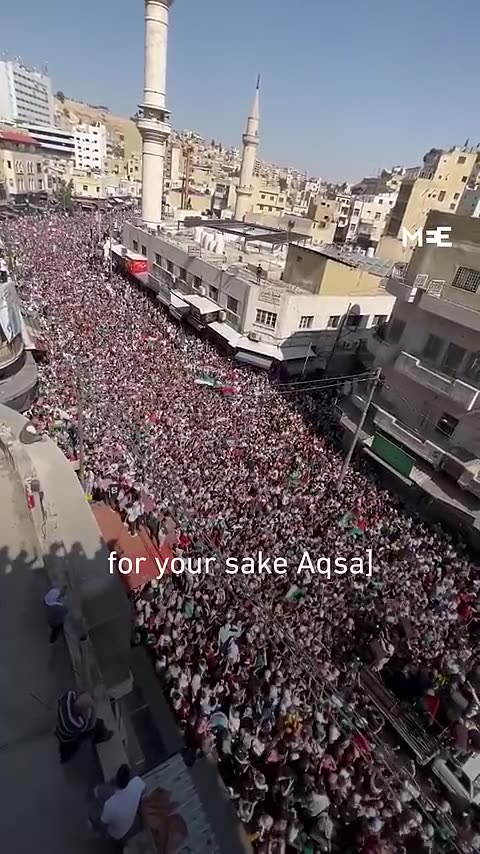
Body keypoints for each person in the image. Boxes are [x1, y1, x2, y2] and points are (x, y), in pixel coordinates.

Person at [55, 690, 113, 762]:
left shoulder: (68, 697)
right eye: (88, 709)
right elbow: (91, 726)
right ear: (83, 712)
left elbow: (75, 693)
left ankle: (64, 754)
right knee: (98, 725)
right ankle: (64, 758)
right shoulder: (77, 723)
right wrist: (94, 707)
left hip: (61, 728)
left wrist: (88, 697)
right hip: (68, 739)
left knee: (98, 723)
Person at [100, 764, 146, 848]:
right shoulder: (137, 781)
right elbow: (144, 790)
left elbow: (103, 823)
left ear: (116, 779)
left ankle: (107, 838)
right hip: (129, 826)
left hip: (115, 833)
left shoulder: (110, 804)